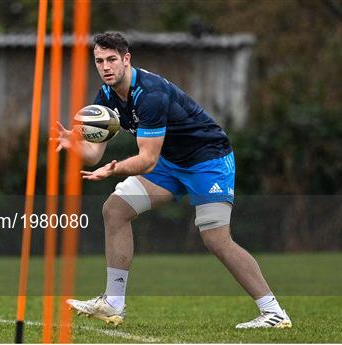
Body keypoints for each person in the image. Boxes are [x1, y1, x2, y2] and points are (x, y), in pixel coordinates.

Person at [55, 32, 291, 329]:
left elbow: (147, 160)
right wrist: (74, 145)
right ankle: (113, 303)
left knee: (215, 238)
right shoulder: (106, 95)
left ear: (126, 59)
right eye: (99, 61)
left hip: (208, 160)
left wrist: (114, 170)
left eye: (112, 59)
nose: (105, 67)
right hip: (171, 163)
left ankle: (273, 312)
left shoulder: (150, 95)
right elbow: (92, 155)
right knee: (115, 209)